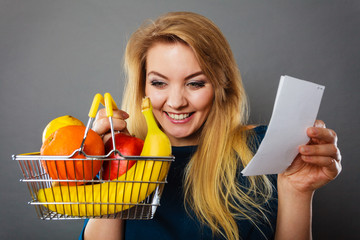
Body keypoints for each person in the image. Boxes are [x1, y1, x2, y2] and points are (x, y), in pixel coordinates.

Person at [80, 12, 341, 240]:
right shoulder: (122, 154)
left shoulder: (266, 149)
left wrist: (297, 191)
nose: (176, 102)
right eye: (159, 83)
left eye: (195, 83)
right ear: (143, 88)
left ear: (220, 85)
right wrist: (113, 165)